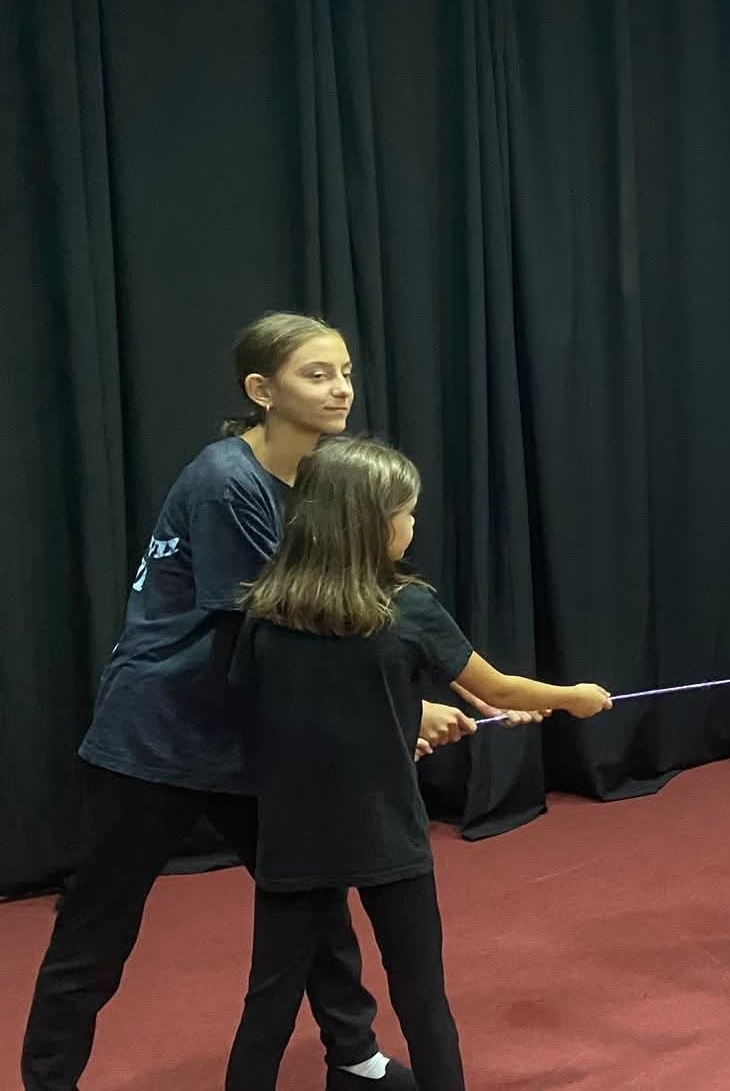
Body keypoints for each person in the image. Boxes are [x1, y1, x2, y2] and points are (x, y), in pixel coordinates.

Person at [20, 313, 489, 1091]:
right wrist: (398, 713)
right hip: (159, 736)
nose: (340, 389)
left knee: (313, 893)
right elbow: (282, 627)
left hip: (259, 733)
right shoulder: (226, 482)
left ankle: (354, 1057)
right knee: (97, 927)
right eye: (317, 374)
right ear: (261, 391)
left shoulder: (326, 477)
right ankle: (48, 1081)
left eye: (345, 372)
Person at [223, 437, 611, 1091]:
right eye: (406, 513)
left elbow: (268, 716)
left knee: (268, 1003)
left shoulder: (266, 609)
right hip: (387, 834)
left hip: (292, 839)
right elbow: (500, 690)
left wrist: (399, 730)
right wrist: (575, 698)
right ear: (371, 526)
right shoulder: (409, 609)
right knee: (422, 997)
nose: (413, 523)